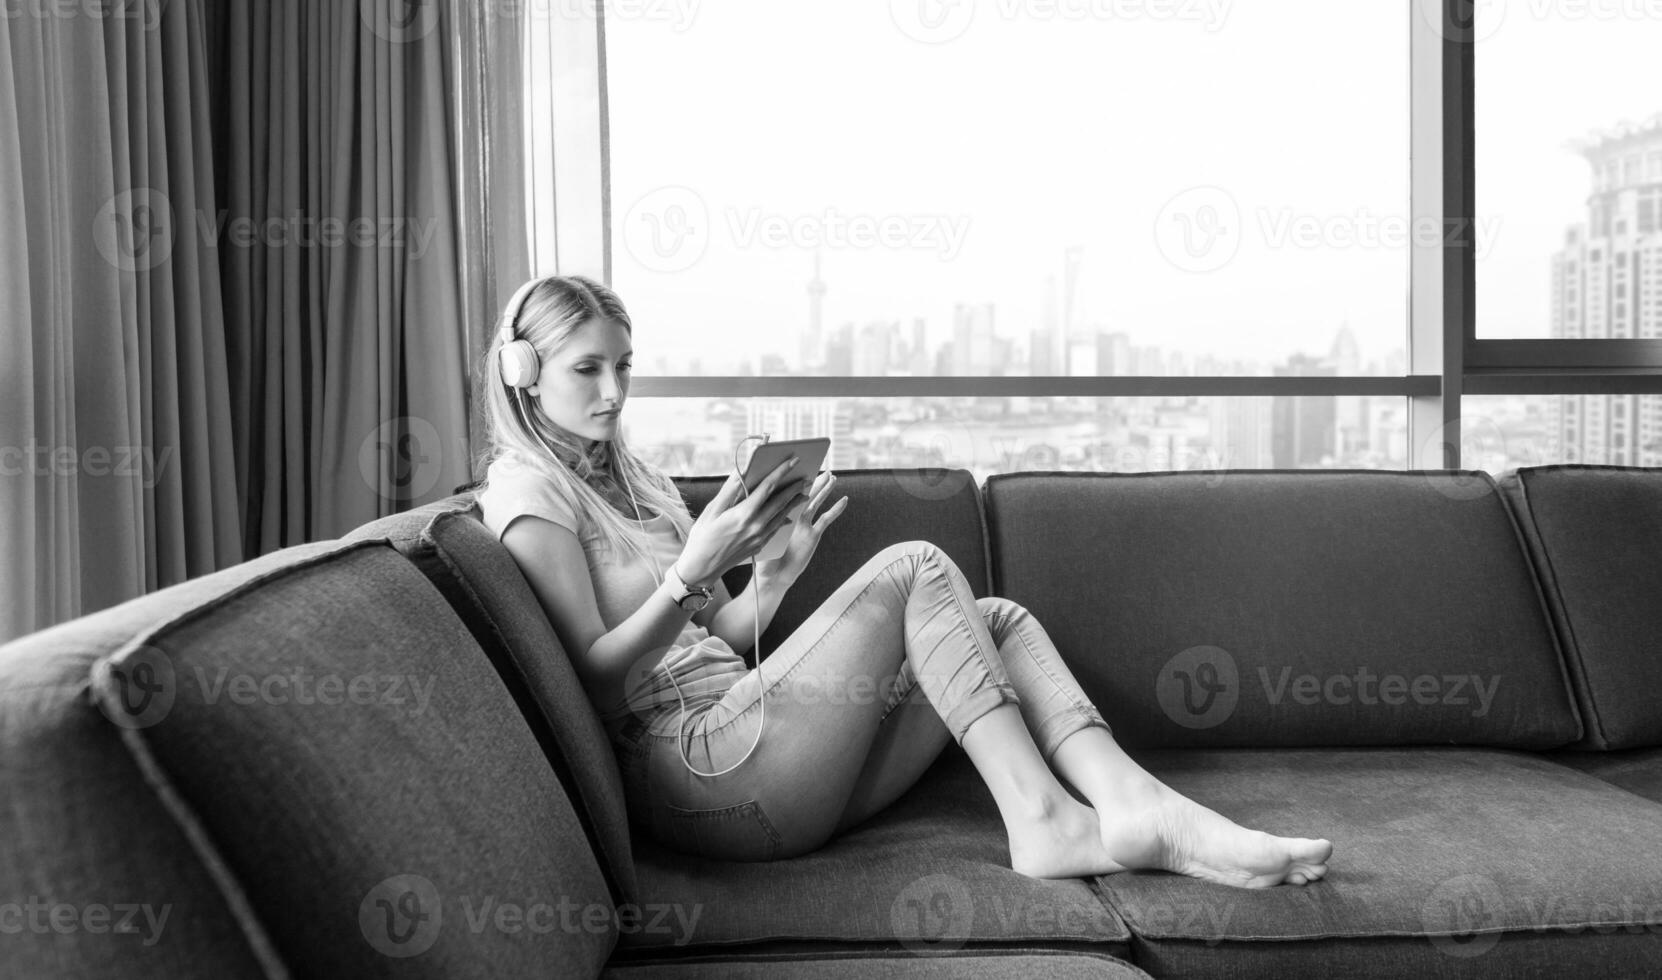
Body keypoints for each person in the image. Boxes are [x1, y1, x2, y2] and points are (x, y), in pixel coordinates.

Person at [475, 275, 1332, 887]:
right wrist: (692, 572)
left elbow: (708, 646)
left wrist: (770, 584)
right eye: (588, 368)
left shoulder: (640, 479)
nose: (616, 390)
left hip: (773, 756)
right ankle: (1046, 821)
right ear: (524, 371)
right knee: (917, 564)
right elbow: (591, 681)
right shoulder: (526, 490)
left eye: (625, 365)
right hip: (697, 775)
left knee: (992, 618)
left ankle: (1133, 799)